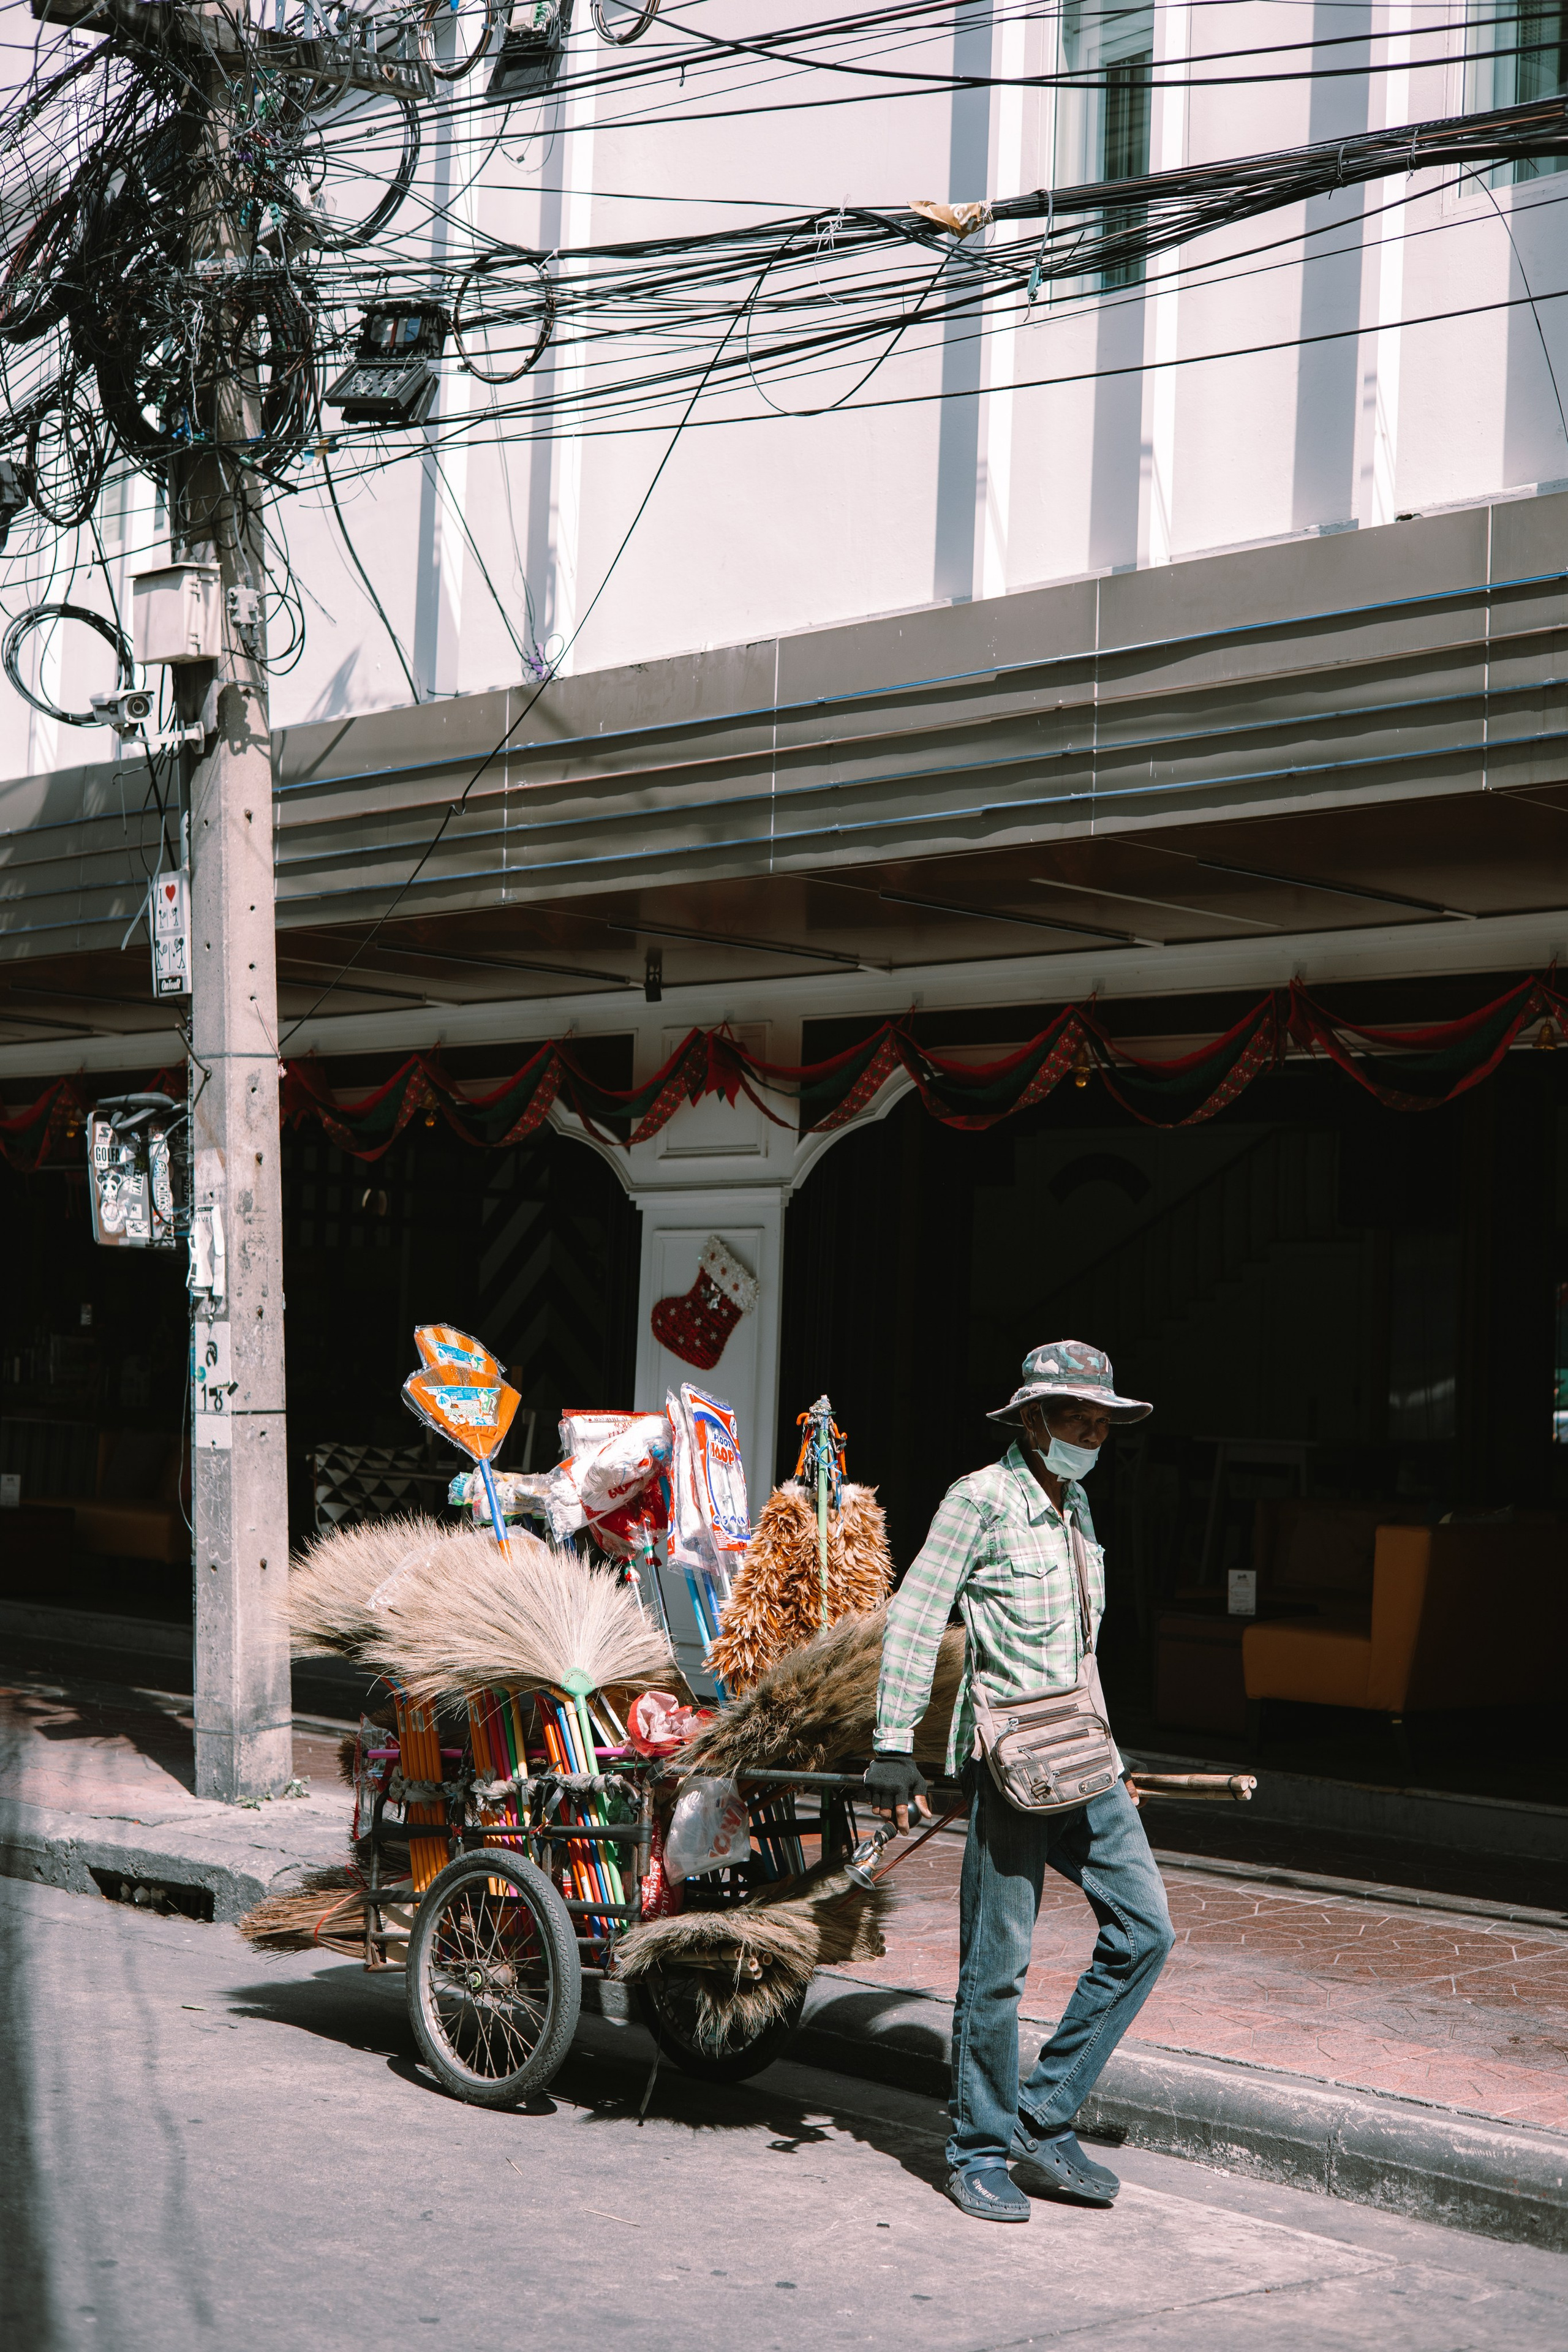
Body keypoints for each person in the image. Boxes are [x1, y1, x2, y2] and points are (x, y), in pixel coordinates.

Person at [865, 1339, 1175, 2223]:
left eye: (1103, 1420)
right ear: (1032, 1420)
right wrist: (896, 1743)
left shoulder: (1077, 1507)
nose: (1092, 1432)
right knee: (998, 1966)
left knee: (1145, 1930)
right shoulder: (980, 1500)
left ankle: (1042, 2115)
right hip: (1008, 1762)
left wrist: (1114, 1751)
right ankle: (977, 2149)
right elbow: (917, 1617)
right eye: (1076, 1416)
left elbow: (1083, 1650)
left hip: (1084, 1756)